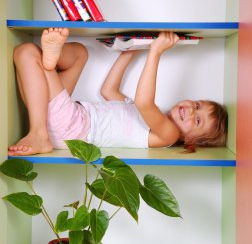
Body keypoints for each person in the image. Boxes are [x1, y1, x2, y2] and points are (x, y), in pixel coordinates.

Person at [8, 28, 227, 156]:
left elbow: (144, 101)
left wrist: (156, 52)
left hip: (73, 128)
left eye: (197, 121)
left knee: (27, 52)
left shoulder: (167, 134)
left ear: (190, 141)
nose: (190, 111)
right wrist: (128, 51)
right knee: (80, 54)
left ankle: (39, 133)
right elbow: (108, 90)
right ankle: (50, 61)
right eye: (197, 105)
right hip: (69, 117)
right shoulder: (149, 117)